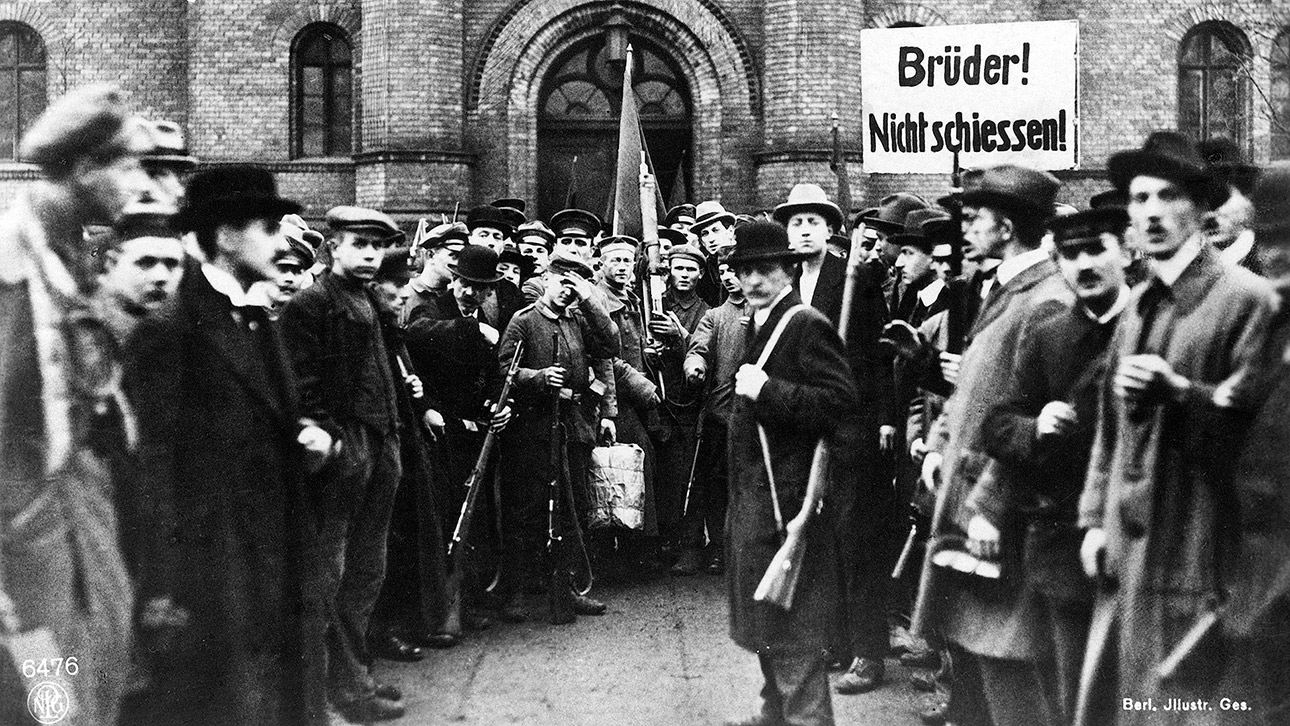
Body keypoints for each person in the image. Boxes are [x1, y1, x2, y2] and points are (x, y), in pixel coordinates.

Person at [1075, 132, 1276, 726]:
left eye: (1168, 196)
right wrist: (1092, 517)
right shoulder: (1139, 302)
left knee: (1190, 707)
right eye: (1140, 199)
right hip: (1131, 550)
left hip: (1202, 548)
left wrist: (1182, 393)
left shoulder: (1247, 300)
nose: (1153, 212)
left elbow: (1265, 438)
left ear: (1200, 206)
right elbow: (1111, 430)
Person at [128, 165, 332, 725]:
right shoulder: (174, 324)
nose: (281, 240)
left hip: (275, 540)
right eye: (267, 226)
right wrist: (164, 583)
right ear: (224, 235)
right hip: (212, 559)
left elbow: (271, 415)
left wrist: (307, 439)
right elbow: (155, 458)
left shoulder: (255, 314)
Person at [0, 84, 155, 726]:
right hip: (21, 526)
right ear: (87, 169)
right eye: (130, 165)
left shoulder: (63, 250)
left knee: (96, 667)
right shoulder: (13, 266)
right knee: (52, 700)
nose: (141, 184)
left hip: (69, 502)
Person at [913, 163, 1069, 726]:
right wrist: (937, 444)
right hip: (967, 493)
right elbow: (976, 386)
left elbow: (1026, 412)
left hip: (1001, 511)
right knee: (980, 659)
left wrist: (989, 504)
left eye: (974, 218)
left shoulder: (1045, 297)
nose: (966, 230)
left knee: (1011, 666)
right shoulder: (1009, 288)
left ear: (1005, 227)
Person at [979, 206, 1132, 725]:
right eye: (1070, 254)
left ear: (1127, 252)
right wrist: (1035, 425)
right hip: (1061, 541)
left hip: (1138, 539)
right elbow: (998, 422)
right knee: (1074, 694)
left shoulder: (1151, 326)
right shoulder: (1048, 332)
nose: (1084, 265)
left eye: (1096, 250)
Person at [723, 220, 858, 726]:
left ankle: (805, 718)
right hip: (756, 498)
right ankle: (773, 712)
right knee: (765, 614)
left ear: (788, 271)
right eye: (745, 271)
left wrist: (769, 392)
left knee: (793, 626)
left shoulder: (803, 323)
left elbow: (841, 403)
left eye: (765, 270)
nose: (753, 281)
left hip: (788, 501)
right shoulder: (757, 321)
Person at [280, 205, 408, 723]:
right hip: (345, 451)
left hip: (380, 444)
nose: (370, 255)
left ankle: (355, 676)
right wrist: (330, 440)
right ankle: (334, 691)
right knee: (331, 575)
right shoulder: (313, 304)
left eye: (377, 247)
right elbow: (304, 387)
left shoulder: (367, 301)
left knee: (367, 570)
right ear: (334, 248)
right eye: (359, 245)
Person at [774, 182, 893, 694]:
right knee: (817, 541)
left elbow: (880, 352)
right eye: (795, 222)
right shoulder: (782, 286)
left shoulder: (854, 282)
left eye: (812, 222)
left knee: (854, 538)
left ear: (829, 230)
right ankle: (836, 641)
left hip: (850, 427)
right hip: (802, 429)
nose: (803, 230)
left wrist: (885, 417)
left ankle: (869, 651)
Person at [495, 253, 618, 622]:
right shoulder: (523, 320)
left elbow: (610, 346)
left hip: (574, 426)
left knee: (573, 510)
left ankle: (566, 588)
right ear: (546, 279)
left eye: (574, 285)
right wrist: (536, 377)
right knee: (528, 509)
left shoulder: (580, 320)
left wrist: (590, 300)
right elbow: (504, 369)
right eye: (562, 282)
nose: (566, 291)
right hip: (533, 428)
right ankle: (518, 591)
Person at [366, 248, 459, 662]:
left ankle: (401, 623)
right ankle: (382, 631)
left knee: (405, 538)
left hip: (405, 445)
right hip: (380, 449)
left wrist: (419, 400)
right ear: (374, 287)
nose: (405, 294)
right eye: (399, 285)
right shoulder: (368, 326)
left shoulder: (387, 327)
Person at [676, 258, 746, 575]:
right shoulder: (715, 316)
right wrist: (695, 366)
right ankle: (715, 547)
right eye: (726, 271)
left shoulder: (773, 312)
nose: (731, 277)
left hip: (761, 417)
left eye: (738, 270)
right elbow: (699, 347)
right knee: (713, 483)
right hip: (721, 416)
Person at [92, 211, 186, 343]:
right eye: (146, 263)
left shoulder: (185, 339)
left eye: (171, 264)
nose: (161, 277)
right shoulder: (77, 333)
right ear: (111, 264)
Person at [407, 220, 467, 317]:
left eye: (462, 257)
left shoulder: (457, 299)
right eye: (453, 255)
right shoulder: (406, 295)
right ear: (430, 255)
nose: (458, 263)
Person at [691, 200, 737, 306]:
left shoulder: (745, 260)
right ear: (702, 241)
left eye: (715, 230)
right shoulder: (704, 270)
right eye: (705, 233)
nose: (711, 239)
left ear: (730, 231)